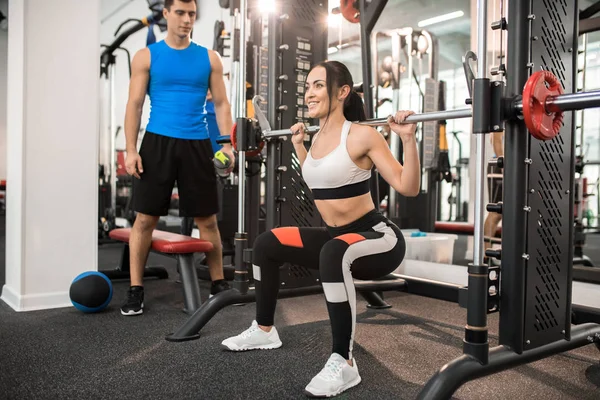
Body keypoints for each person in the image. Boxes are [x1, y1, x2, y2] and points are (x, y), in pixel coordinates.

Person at [221, 60, 421, 397]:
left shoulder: (363, 135)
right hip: (337, 238)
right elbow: (323, 186)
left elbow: (408, 186)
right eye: (308, 85)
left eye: (317, 85)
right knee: (267, 243)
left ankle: (344, 361)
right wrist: (300, 148)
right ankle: (265, 329)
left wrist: (408, 139)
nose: (308, 93)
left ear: (342, 92)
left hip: (378, 238)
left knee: (334, 251)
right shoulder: (315, 139)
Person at [121, 0, 235, 316]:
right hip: (157, 142)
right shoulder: (147, 56)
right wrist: (131, 149)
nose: (187, 20)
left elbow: (222, 104)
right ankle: (135, 289)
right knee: (145, 218)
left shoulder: (209, 59)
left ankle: (218, 283)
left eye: (192, 15)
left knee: (207, 218)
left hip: (197, 142)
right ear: (167, 14)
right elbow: (134, 105)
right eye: (181, 13)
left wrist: (226, 144)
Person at [484, 131, 504, 259]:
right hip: (500, 165)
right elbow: (495, 139)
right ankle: (486, 253)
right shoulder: (503, 116)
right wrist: (504, 164)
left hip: (504, 164)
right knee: (496, 212)